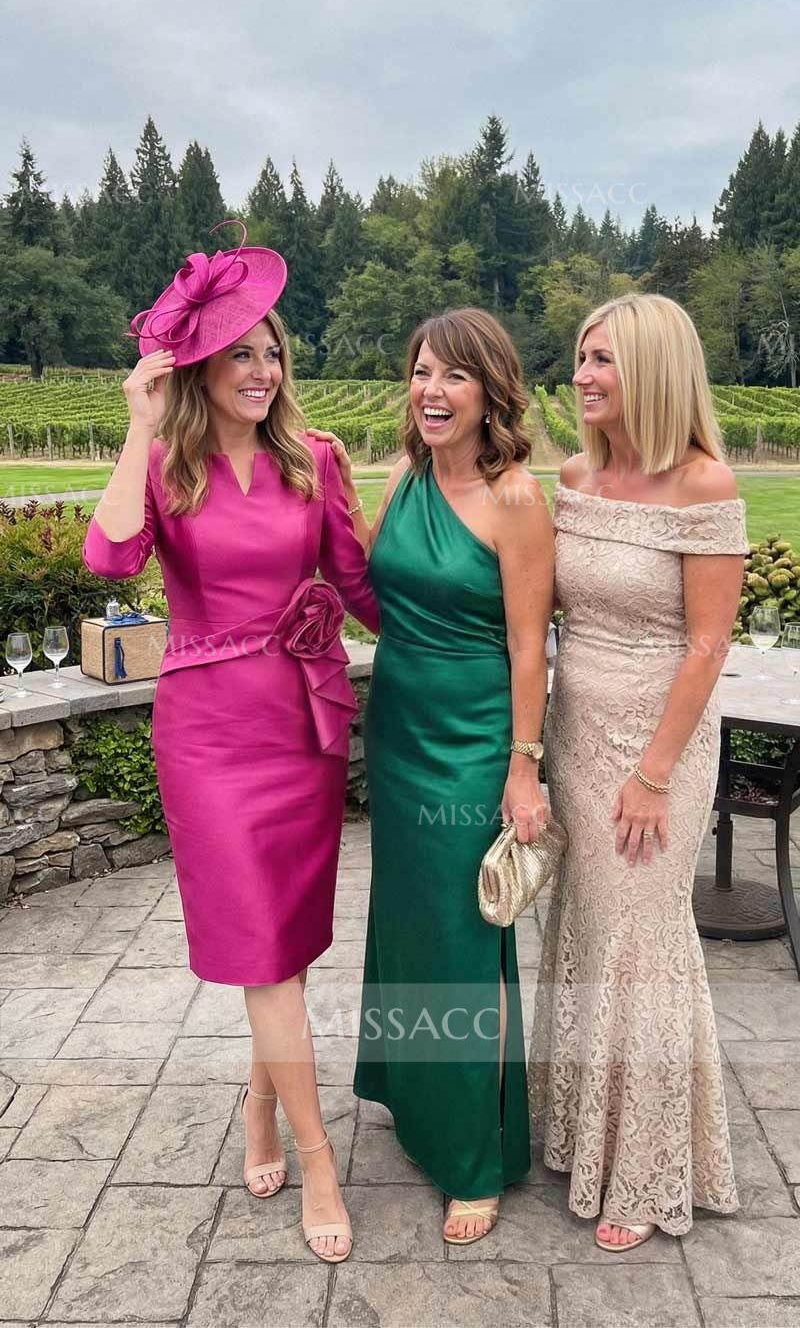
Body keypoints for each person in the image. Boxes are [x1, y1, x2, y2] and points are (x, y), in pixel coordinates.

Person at [82, 222, 379, 1264]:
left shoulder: (315, 459)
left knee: (282, 951)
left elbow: (361, 589)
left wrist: (487, 635)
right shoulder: (165, 466)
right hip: (207, 736)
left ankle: (259, 1107)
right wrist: (138, 425)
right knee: (262, 950)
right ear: (198, 368)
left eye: (272, 352)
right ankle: (318, 1158)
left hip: (301, 724)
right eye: (240, 353)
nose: (262, 370)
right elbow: (111, 560)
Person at [311, 308, 554, 1244]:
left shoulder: (517, 499)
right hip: (401, 727)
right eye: (421, 372)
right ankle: (419, 1106)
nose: (432, 390)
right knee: (410, 925)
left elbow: (530, 647)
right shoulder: (406, 475)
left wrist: (523, 768)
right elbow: (378, 598)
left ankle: (474, 1156)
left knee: (463, 939)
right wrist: (335, 496)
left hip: (474, 737)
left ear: (491, 390)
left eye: (454, 374)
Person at [528, 292, 745, 1250]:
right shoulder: (576, 476)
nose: (582, 375)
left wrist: (654, 774)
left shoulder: (704, 484)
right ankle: (586, 1133)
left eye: (603, 359)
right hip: (576, 732)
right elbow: (540, 609)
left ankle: (649, 1169)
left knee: (642, 941)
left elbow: (708, 645)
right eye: (582, 356)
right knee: (585, 924)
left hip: (659, 748)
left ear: (654, 369)